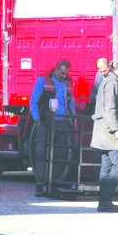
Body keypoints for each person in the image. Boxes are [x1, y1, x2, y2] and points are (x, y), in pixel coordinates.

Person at [89, 57, 118, 213]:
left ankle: (103, 202)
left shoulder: (107, 80)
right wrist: (117, 129)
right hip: (109, 132)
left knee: (107, 166)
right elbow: (110, 108)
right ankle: (106, 201)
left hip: (102, 130)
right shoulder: (113, 82)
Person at [29, 59, 76, 197]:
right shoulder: (43, 80)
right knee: (41, 153)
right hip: (45, 122)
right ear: (56, 69)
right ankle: (40, 185)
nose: (64, 76)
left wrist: (72, 118)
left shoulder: (68, 82)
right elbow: (33, 100)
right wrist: (37, 120)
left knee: (59, 154)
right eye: (62, 73)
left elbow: (71, 101)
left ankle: (53, 184)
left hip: (62, 122)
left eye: (66, 73)